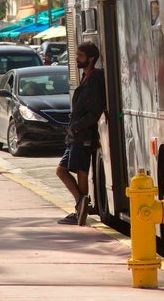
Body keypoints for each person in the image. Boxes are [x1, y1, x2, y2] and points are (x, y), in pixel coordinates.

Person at [56, 41, 105, 226]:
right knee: (75, 171)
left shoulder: (92, 79)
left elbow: (94, 112)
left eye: (81, 56)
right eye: (76, 55)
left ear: (91, 58)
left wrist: (76, 127)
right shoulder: (87, 77)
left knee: (70, 171)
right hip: (78, 134)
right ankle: (81, 206)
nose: (76, 58)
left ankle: (80, 205)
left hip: (82, 134)